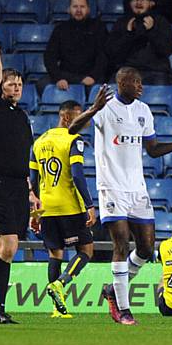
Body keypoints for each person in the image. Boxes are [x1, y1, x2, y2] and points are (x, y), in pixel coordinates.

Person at [68, 67, 172, 325]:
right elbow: (72, 128)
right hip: (112, 187)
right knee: (121, 245)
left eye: (141, 81)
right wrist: (93, 109)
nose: (140, 86)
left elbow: (152, 150)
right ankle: (124, 310)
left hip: (137, 188)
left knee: (147, 248)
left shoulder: (143, 111)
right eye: (135, 82)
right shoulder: (105, 108)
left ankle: (113, 290)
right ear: (121, 83)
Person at [0, 1, 41, 325]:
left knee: (8, 249)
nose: (14, 86)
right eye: (9, 83)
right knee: (9, 244)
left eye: (18, 83)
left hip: (17, 185)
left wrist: (30, 191)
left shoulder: (22, 116)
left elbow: (21, 156)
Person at [29, 98, 109, 318]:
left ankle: (57, 308)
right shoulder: (73, 138)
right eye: (78, 115)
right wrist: (89, 205)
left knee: (55, 253)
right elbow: (76, 174)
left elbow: (33, 182)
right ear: (65, 117)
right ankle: (61, 284)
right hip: (69, 206)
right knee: (86, 251)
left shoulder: (39, 142)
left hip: (47, 208)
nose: (84, 119)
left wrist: (34, 214)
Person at [39, 0, 109, 94]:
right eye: (75, 6)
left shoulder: (99, 28)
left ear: (88, 9)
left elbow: (103, 56)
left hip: (90, 76)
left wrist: (93, 76)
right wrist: (58, 78)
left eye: (82, 7)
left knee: (100, 90)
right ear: (69, 9)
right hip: (65, 76)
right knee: (42, 84)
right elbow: (49, 56)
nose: (79, 10)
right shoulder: (60, 29)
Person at [106, 0, 172, 85]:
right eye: (135, 0)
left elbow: (166, 50)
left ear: (150, 3)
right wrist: (128, 34)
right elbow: (112, 53)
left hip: (155, 72)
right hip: (127, 73)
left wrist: (151, 31)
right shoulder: (122, 23)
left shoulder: (161, 22)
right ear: (130, 4)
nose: (139, 3)